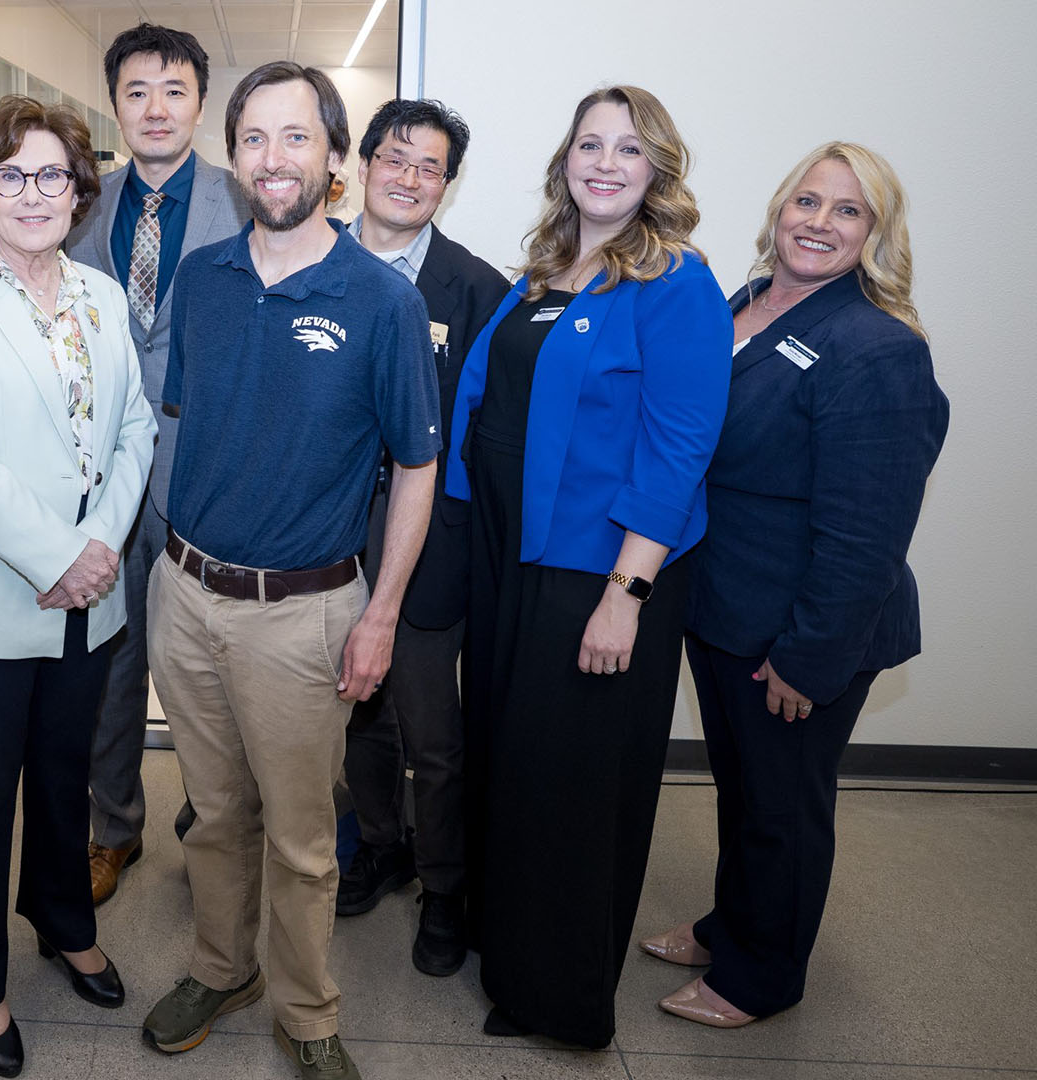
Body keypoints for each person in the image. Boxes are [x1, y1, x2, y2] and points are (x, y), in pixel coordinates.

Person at [142, 62, 440, 1080]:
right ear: (236, 157)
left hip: (303, 614)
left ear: (334, 156)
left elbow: (416, 463)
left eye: (297, 138)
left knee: (305, 840)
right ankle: (225, 968)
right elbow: (196, 423)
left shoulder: (380, 302)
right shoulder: (205, 279)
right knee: (214, 814)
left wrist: (382, 614)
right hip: (184, 597)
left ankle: (309, 1015)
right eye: (255, 140)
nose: (275, 160)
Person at [442, 85, 730, 1048]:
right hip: (514, 561)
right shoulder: (544, 269)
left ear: (658, 171)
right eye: (590, 144)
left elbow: (681, 449)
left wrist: (626, 595)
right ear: (566, 158)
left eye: (630, 150)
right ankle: (507, 951)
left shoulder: (676, 281)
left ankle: (559, 999)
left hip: (599, 574)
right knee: (512, 765)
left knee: (570, 788)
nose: (605, 163)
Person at [640, 142, 948, 1029]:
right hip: (729, 610)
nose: (818, 223)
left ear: (875, 235)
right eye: (806, 202)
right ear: (779, 211)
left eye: (847, 211)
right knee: (742, 791)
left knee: (782, 808)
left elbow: (868, 533)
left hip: (801, 632)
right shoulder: (745, 304)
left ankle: (760, 977)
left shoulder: (877, 349)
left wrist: (808, 660)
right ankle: (729, 924)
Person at [0, 95, 156, 1078]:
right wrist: (58, 556)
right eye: (11, 174)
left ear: (79, 190)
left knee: (66, 774)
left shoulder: (99, 294)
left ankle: (63, 919)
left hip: (89, 593)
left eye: (53, 174)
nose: (33, 192)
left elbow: (132, 429)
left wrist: (96, 550)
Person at [63, 21, 246, 906]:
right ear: (115, 105)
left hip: (207, 473)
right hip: (99, 475)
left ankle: (214, 827)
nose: (156, 108)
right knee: (109, 669)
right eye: (137, 91)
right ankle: (113, 829)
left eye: (174, 90)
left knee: (211, 671)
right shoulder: (76, 200)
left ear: (200, 104)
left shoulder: (246, 200)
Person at [338, 98, 509, 980]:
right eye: (395, 158)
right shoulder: (314, 260)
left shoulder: (477, 289)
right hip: (321, 530)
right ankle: (379, 843)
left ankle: (445, 886)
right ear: (363, 164)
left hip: (426, 534)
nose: (408, 178)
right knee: (358, 713)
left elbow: (486, 434)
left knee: (430, 728)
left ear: (447, 184)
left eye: (429, 167)